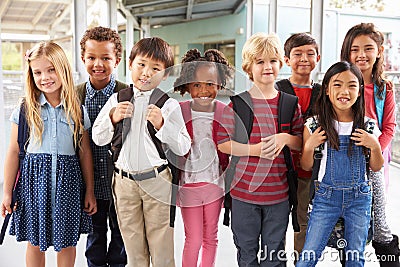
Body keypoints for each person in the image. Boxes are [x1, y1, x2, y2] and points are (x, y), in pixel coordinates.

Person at [91, 37, 191, 267]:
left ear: (165, 75)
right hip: (124, 182)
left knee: (162, 247)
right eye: (141, 64)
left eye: (156, 68)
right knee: (133, 248)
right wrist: (112, 117)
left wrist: (163, 125)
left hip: (157, 180)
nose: (146, 73)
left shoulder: (168, 104)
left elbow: (184, 146)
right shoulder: (116, 99)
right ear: (130, 64)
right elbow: (98, 137)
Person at [0, 41, 97, 267]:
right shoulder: (25, 109)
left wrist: (89, 190)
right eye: (38, 72)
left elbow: (84, 152)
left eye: (51, 70)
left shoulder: (77, 109)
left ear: (62, 69)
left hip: (69, 185)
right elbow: (14, 152)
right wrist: (6, 193)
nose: (45, 77)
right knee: (34, 243)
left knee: (67, 243)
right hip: (33, 185)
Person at [217, 32, 303, 266]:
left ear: (281, 63)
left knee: (274, 254)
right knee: (247, 252)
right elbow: (223, 143)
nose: (268, 67)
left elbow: (300, 142)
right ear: (249, 66)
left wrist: (285, 137)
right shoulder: (237, 104)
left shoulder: (289, 103)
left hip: (279, 196)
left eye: (273, 61)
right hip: (243, 196)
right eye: (260, 61)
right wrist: (254, 150)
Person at [297, 61, 384, 266]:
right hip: (325, 198)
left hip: (359, 199)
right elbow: (306, 166)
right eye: (337, 84)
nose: (344, 91)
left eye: (352, 85)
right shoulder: (315, 124)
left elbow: (376, 166)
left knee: (355, 258)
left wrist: (375, 147)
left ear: (360, 91)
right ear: (326, 89)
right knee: (308, 256)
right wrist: (309, 147)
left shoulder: (368, 125)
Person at [341, 22, 400, 266]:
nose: (361, 55)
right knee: (349, 224)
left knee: (379, 220)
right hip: (343, 163)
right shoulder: (338, 84)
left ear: (379, 52)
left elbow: (389, 128)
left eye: (368, 48)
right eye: (355, 49)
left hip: (374, 164)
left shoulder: (384, 88)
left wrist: (374, 147)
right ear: (347, 52)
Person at [173, 48, 231, 267]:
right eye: (197, 84)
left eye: (210, 84)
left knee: (211, 238)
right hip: (189, 186)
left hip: (215, 185)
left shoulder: (225, 111)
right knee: (193, 239)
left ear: (219, 84)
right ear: (187, 85)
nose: (204, 90)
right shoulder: (179, 110)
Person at [76, 26, 127, 267]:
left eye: (106, 58)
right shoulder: (74, 96)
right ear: (82, 58)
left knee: (121, 241)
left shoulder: (127, 94)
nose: (98, 64)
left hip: (121, 186)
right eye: (91, 57)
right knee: (94, 241)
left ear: (117, 60)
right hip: (90, 186)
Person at [278, 32, 321, 256]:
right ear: (286, 60)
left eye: (310, 53)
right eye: (297, 54)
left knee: (303, 222)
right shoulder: (276, 89)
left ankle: (300, 260)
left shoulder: (323, 93)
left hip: (309, 171)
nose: (304, 58)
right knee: (275, 224)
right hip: (279, 171)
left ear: (318, 58)